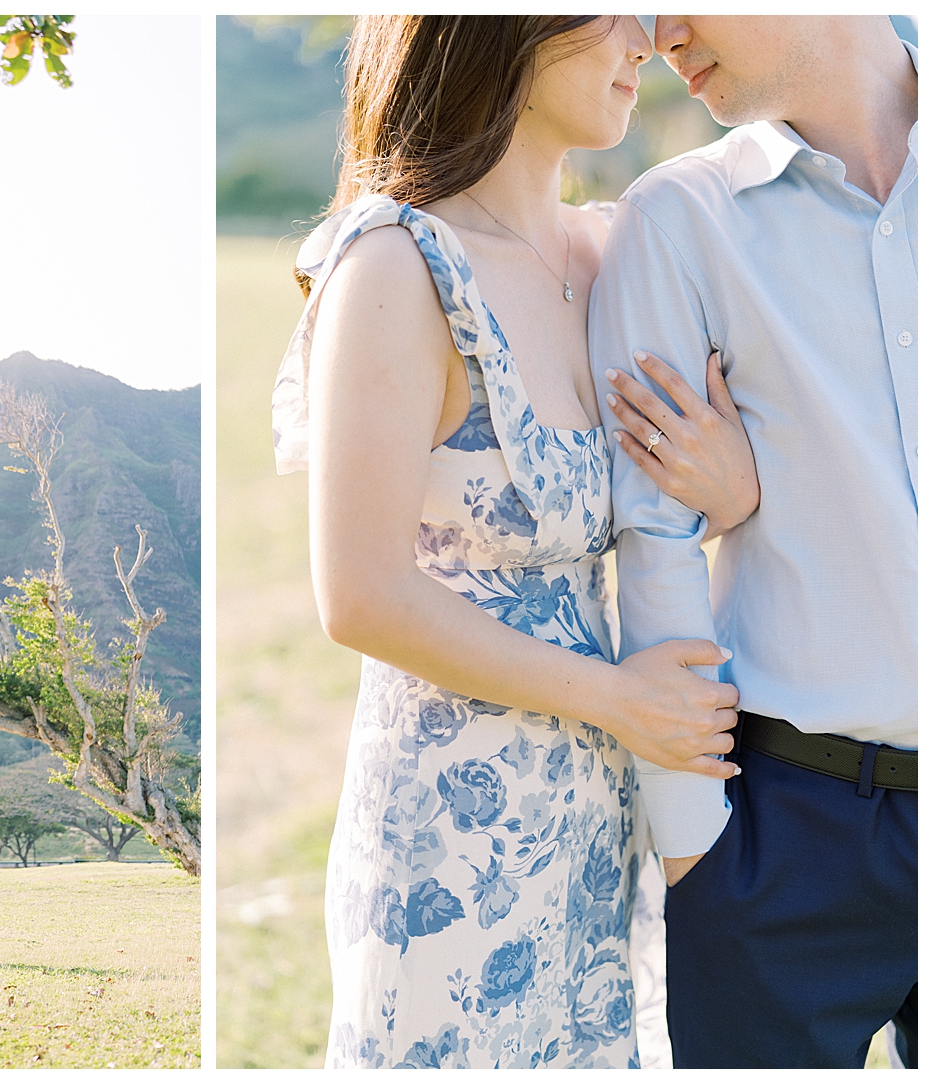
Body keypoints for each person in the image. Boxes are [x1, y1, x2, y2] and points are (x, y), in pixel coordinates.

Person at [271, 15, 760, 1069]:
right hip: (448, 834)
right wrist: (615, 697)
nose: (644, 38)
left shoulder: (612, 251)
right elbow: (356, 593)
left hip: (595, 821)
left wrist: (730, 491)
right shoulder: (399, 265)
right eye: (608, 10)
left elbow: (670, 502)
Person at [589, 15, 917, 1070]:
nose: (657, 32)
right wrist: (698, 849)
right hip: (787, 836)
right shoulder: (680, 218)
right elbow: (650, 543)